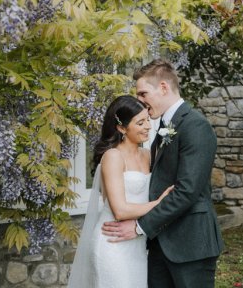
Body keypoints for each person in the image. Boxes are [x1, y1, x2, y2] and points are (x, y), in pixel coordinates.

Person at [102, 59, 224, 288]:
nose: (140, 101)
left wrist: (140, 227)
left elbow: (186, 192)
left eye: (143, 93)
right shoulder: (162, 129)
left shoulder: (196, 126)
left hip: (191, 244)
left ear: (164, 88)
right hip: (160, 243)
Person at [68, 95, 173, 288]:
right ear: (121, 128)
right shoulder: (113, 156)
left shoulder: (148, 155)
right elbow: (120, 210)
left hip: (137, 243)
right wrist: (160, 204)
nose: (148, 127)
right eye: (140, 122)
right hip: (113, 243)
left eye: (147, 120)